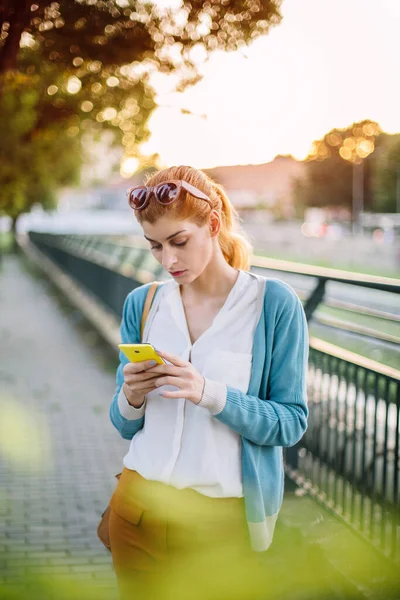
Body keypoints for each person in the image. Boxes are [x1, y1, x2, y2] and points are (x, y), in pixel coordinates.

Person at [108, 165, 309, 599]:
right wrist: (131, 396)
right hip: (137, 508)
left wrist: (209, 393)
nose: (168, 260)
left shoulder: (272, 305)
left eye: (179, 242)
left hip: (220, 522)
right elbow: (123, 424)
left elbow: (291, 421)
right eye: (155, 246)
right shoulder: (142, 304)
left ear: (213, 224)